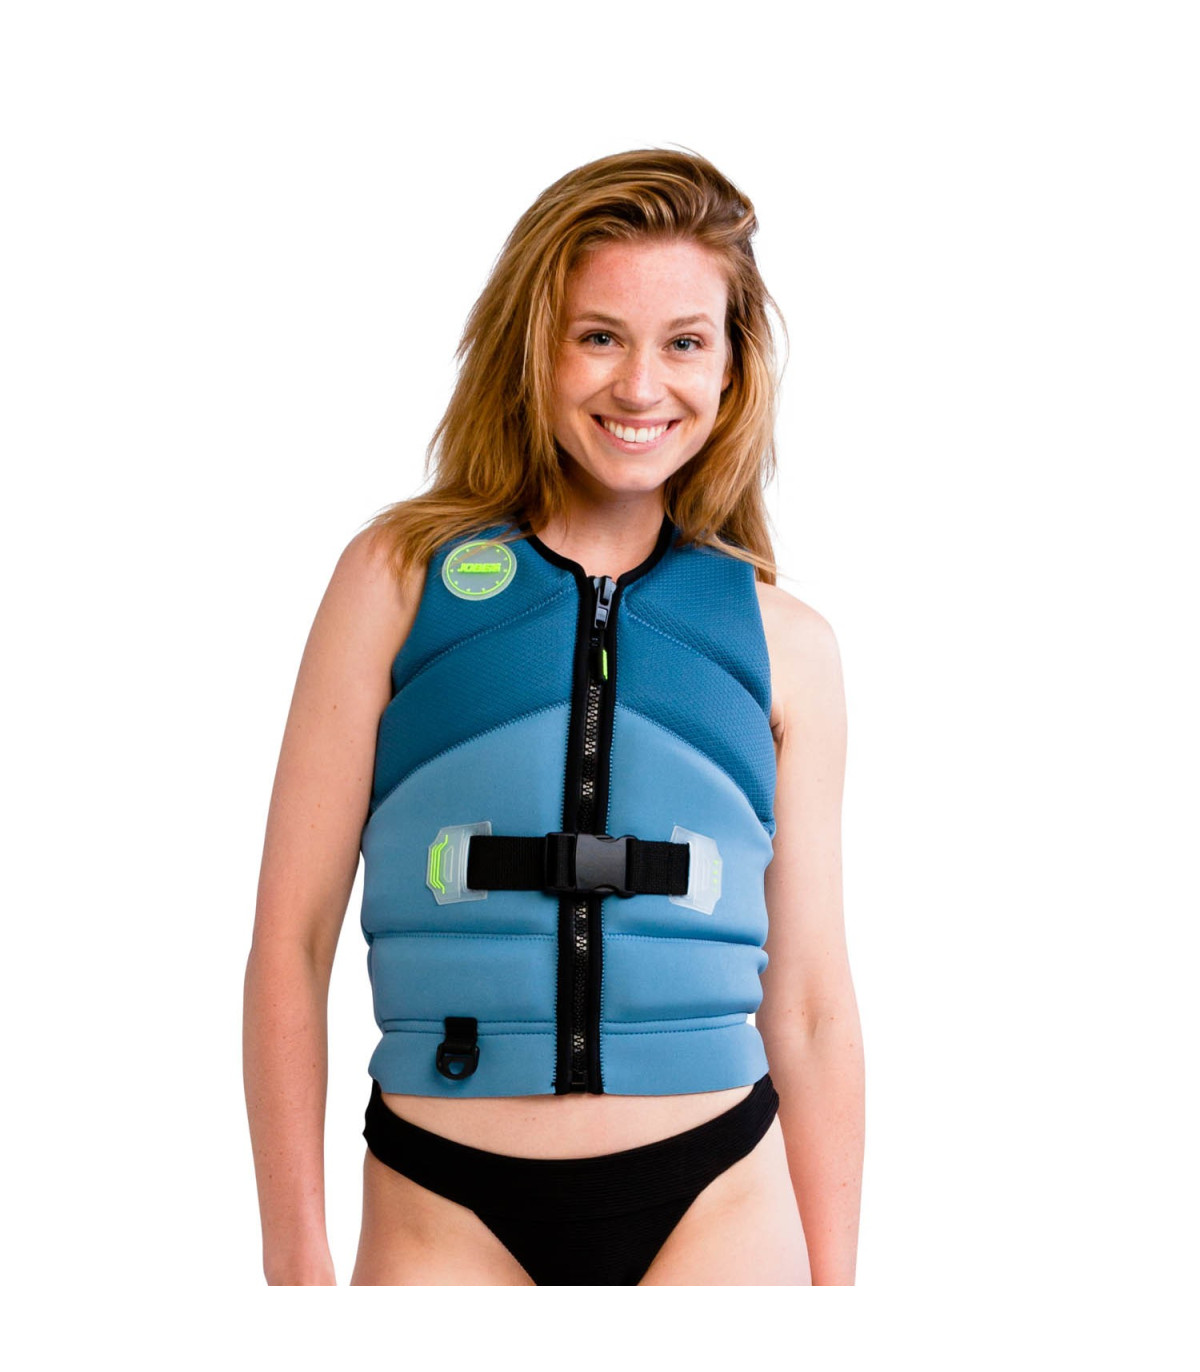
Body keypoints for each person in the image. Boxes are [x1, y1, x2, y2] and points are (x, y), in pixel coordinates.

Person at [242, 148, 864, 1286]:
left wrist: (840, 1308)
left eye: (686, 342)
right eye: (599, 336)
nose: (642, 386)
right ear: (533, 346)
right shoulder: (395, 580)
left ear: (732, 367)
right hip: (444, 1199)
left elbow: (814, 1002)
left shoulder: (790, 644)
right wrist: (296, 1263)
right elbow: (292, 938)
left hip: (718, 1196)